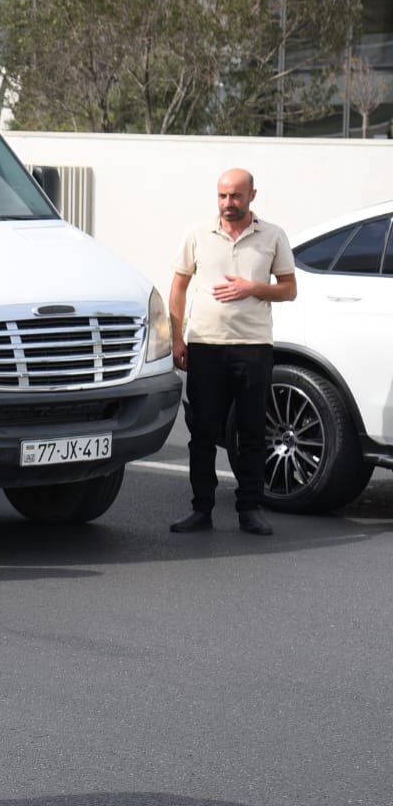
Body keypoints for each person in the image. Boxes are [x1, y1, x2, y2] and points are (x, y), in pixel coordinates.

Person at [168, 167, 296, 537]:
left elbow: (289, 289)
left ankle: (249, 509)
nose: (228, 203)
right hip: (206, 346)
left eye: (236, 196)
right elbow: (178, 287)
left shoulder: (272, 236)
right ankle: (201, 509)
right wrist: (178, 338)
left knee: (253, 431)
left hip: (254, 348)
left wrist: (252, 288)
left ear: (252, 195)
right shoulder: (197, 234)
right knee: (203, 432)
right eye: (223, 196)